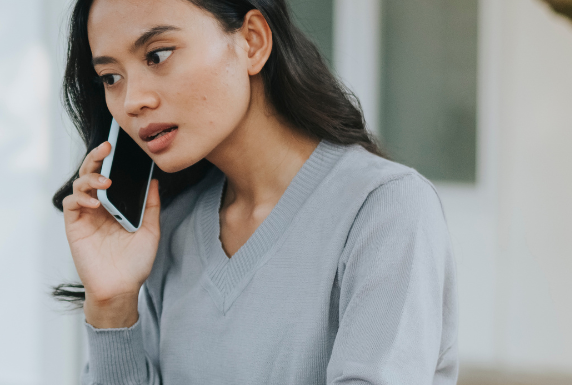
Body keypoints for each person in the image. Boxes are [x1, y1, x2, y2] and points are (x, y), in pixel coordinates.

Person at [52, 0, 458, 383]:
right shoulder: (169, 229)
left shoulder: (384, 208)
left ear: (252, 41)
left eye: (157, 55)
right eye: (111, 78)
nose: (132, 101)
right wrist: (112, 305)